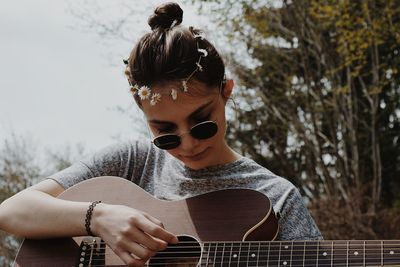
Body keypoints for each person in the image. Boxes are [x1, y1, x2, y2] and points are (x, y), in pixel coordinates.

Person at [0, 2, 322, 266]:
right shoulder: (132, 162)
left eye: (202, 121)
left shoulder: (277, 198)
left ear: (226, 91)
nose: (188, 142)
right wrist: (97, 217)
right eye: (165, 132)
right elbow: (12, 211)